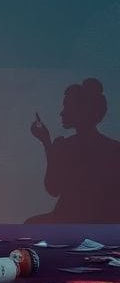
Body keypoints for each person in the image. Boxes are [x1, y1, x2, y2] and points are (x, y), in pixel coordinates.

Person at [26, 78, 120, 223]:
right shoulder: (114, 148)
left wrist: (47, 144)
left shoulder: (65, 146)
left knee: (31, 226)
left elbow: (53, 187)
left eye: (68, 106)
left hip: (70, 218)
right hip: (99, 221)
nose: (62, 113)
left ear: (83, 110)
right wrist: (47, 143)